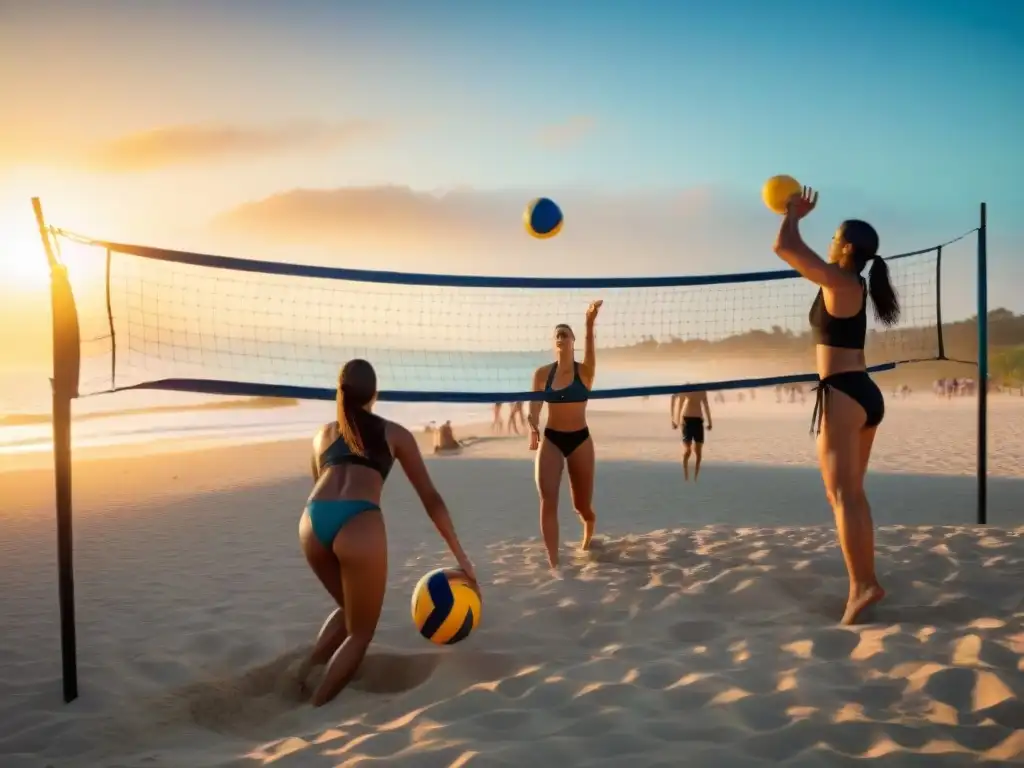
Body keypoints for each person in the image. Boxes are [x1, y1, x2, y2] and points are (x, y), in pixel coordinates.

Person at [297, 359, 477, 705]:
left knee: (349, 609)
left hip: (312, 519)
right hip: (358, 520)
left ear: (340, 392)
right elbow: (431, 498)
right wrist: (461, 556)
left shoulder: (322, 434)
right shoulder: (394, 433)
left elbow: (320, 481)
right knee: (361, 632)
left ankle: (305, 672)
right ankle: (317, 705)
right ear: (375, 394)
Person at [773, 187, 900, 625]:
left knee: (841, 494)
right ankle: (865, 580)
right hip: (862, 391)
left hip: (843, 393)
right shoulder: (851, 282)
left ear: (846, 247)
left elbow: (784, 246)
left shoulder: (840, 281)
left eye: (833, 237)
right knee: (851, 493)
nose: (827, 242)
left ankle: (863, 585)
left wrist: (792, 214)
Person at [527, 300, 603, 571]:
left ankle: (589, 523)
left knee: (581, 506)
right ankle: (554, 563)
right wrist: (533, 426)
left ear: (572, 341)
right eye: (557, 334)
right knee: (548, 498)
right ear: (554, 342)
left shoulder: (585, 371)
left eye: (565, 334)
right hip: (552, 439)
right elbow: (535, 406)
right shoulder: (541, 374)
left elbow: (592, 346)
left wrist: (589, 322)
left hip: (580, 439)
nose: (561, 337)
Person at [670, 390, 713, 481]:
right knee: (688, 450)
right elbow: (676, 400)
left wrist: (710, 421)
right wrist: (675, 420)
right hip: (687, 420)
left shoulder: (702, 389)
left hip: (698, 420)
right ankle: (686, 476)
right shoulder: (687, 388)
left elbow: (706, 406)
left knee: (698, 452)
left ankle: (695, 478)